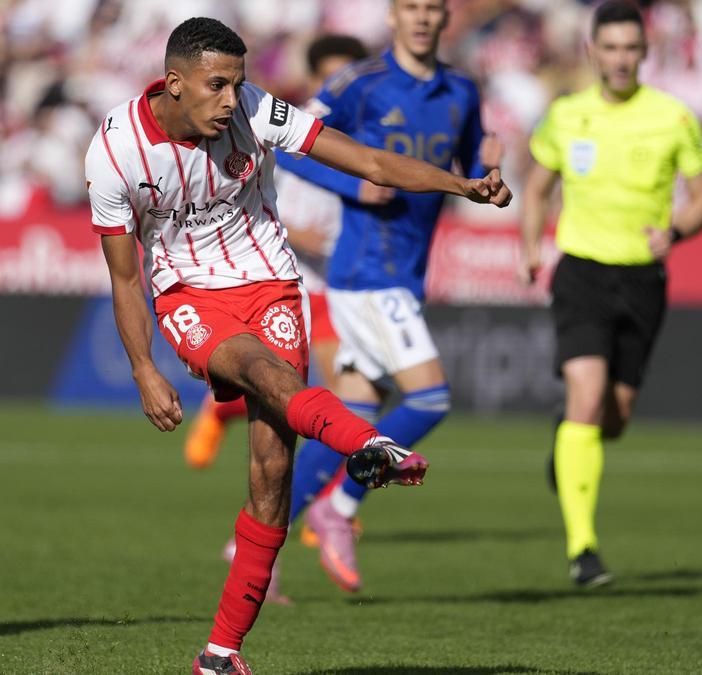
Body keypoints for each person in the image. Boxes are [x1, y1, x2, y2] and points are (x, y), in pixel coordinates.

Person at [84, 17, 510, 673]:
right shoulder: (113, 152)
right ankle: (363, 443)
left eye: (238, 84)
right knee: (257, 368)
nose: (232, 100)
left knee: (273, 473)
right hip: (191, 296)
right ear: (174, 83)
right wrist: (144, 367)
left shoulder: (255, 111)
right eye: (217, 86)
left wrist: (463, 185)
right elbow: (123, 274)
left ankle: (221, 654)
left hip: (272, 284)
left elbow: (366, 160)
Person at [270, 0, 502, 594]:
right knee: (429, 400)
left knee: (356, 418)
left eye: (432, 8)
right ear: (394, 17)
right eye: (411, 7)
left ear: (445, 17)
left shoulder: (461, 89)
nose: (422, 18)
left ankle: (251, 545)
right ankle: (340, 508)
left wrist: (489, 172)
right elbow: (288, 143)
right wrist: (354, 180)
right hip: (368, 270)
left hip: (409, 269)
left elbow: (473, 160)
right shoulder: (358, 82)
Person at [519, 0, 702, 587]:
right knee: (586, 391)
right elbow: (535, 190)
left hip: (642, 279)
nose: (621, 59)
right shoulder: (566, 115)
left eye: (631, 48)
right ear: (592, 52)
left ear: (645, 52)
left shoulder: (674, 118)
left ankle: (570, 444)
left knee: (614, 416)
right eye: (610, 48)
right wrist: (531, 247)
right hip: (580, 270)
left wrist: (676, 230)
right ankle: (584, 550)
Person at [182, 35, 369, 473]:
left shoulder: (364, 138)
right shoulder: (287, 129)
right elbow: (245, 202)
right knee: (312, 395)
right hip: (290, 278)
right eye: (329, 76)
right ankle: (320, 503)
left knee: (330, 398)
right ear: (314, 78)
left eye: (347, 77)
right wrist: (296, 233)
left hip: (343, 279)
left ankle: (319, 500)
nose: (337, 86)